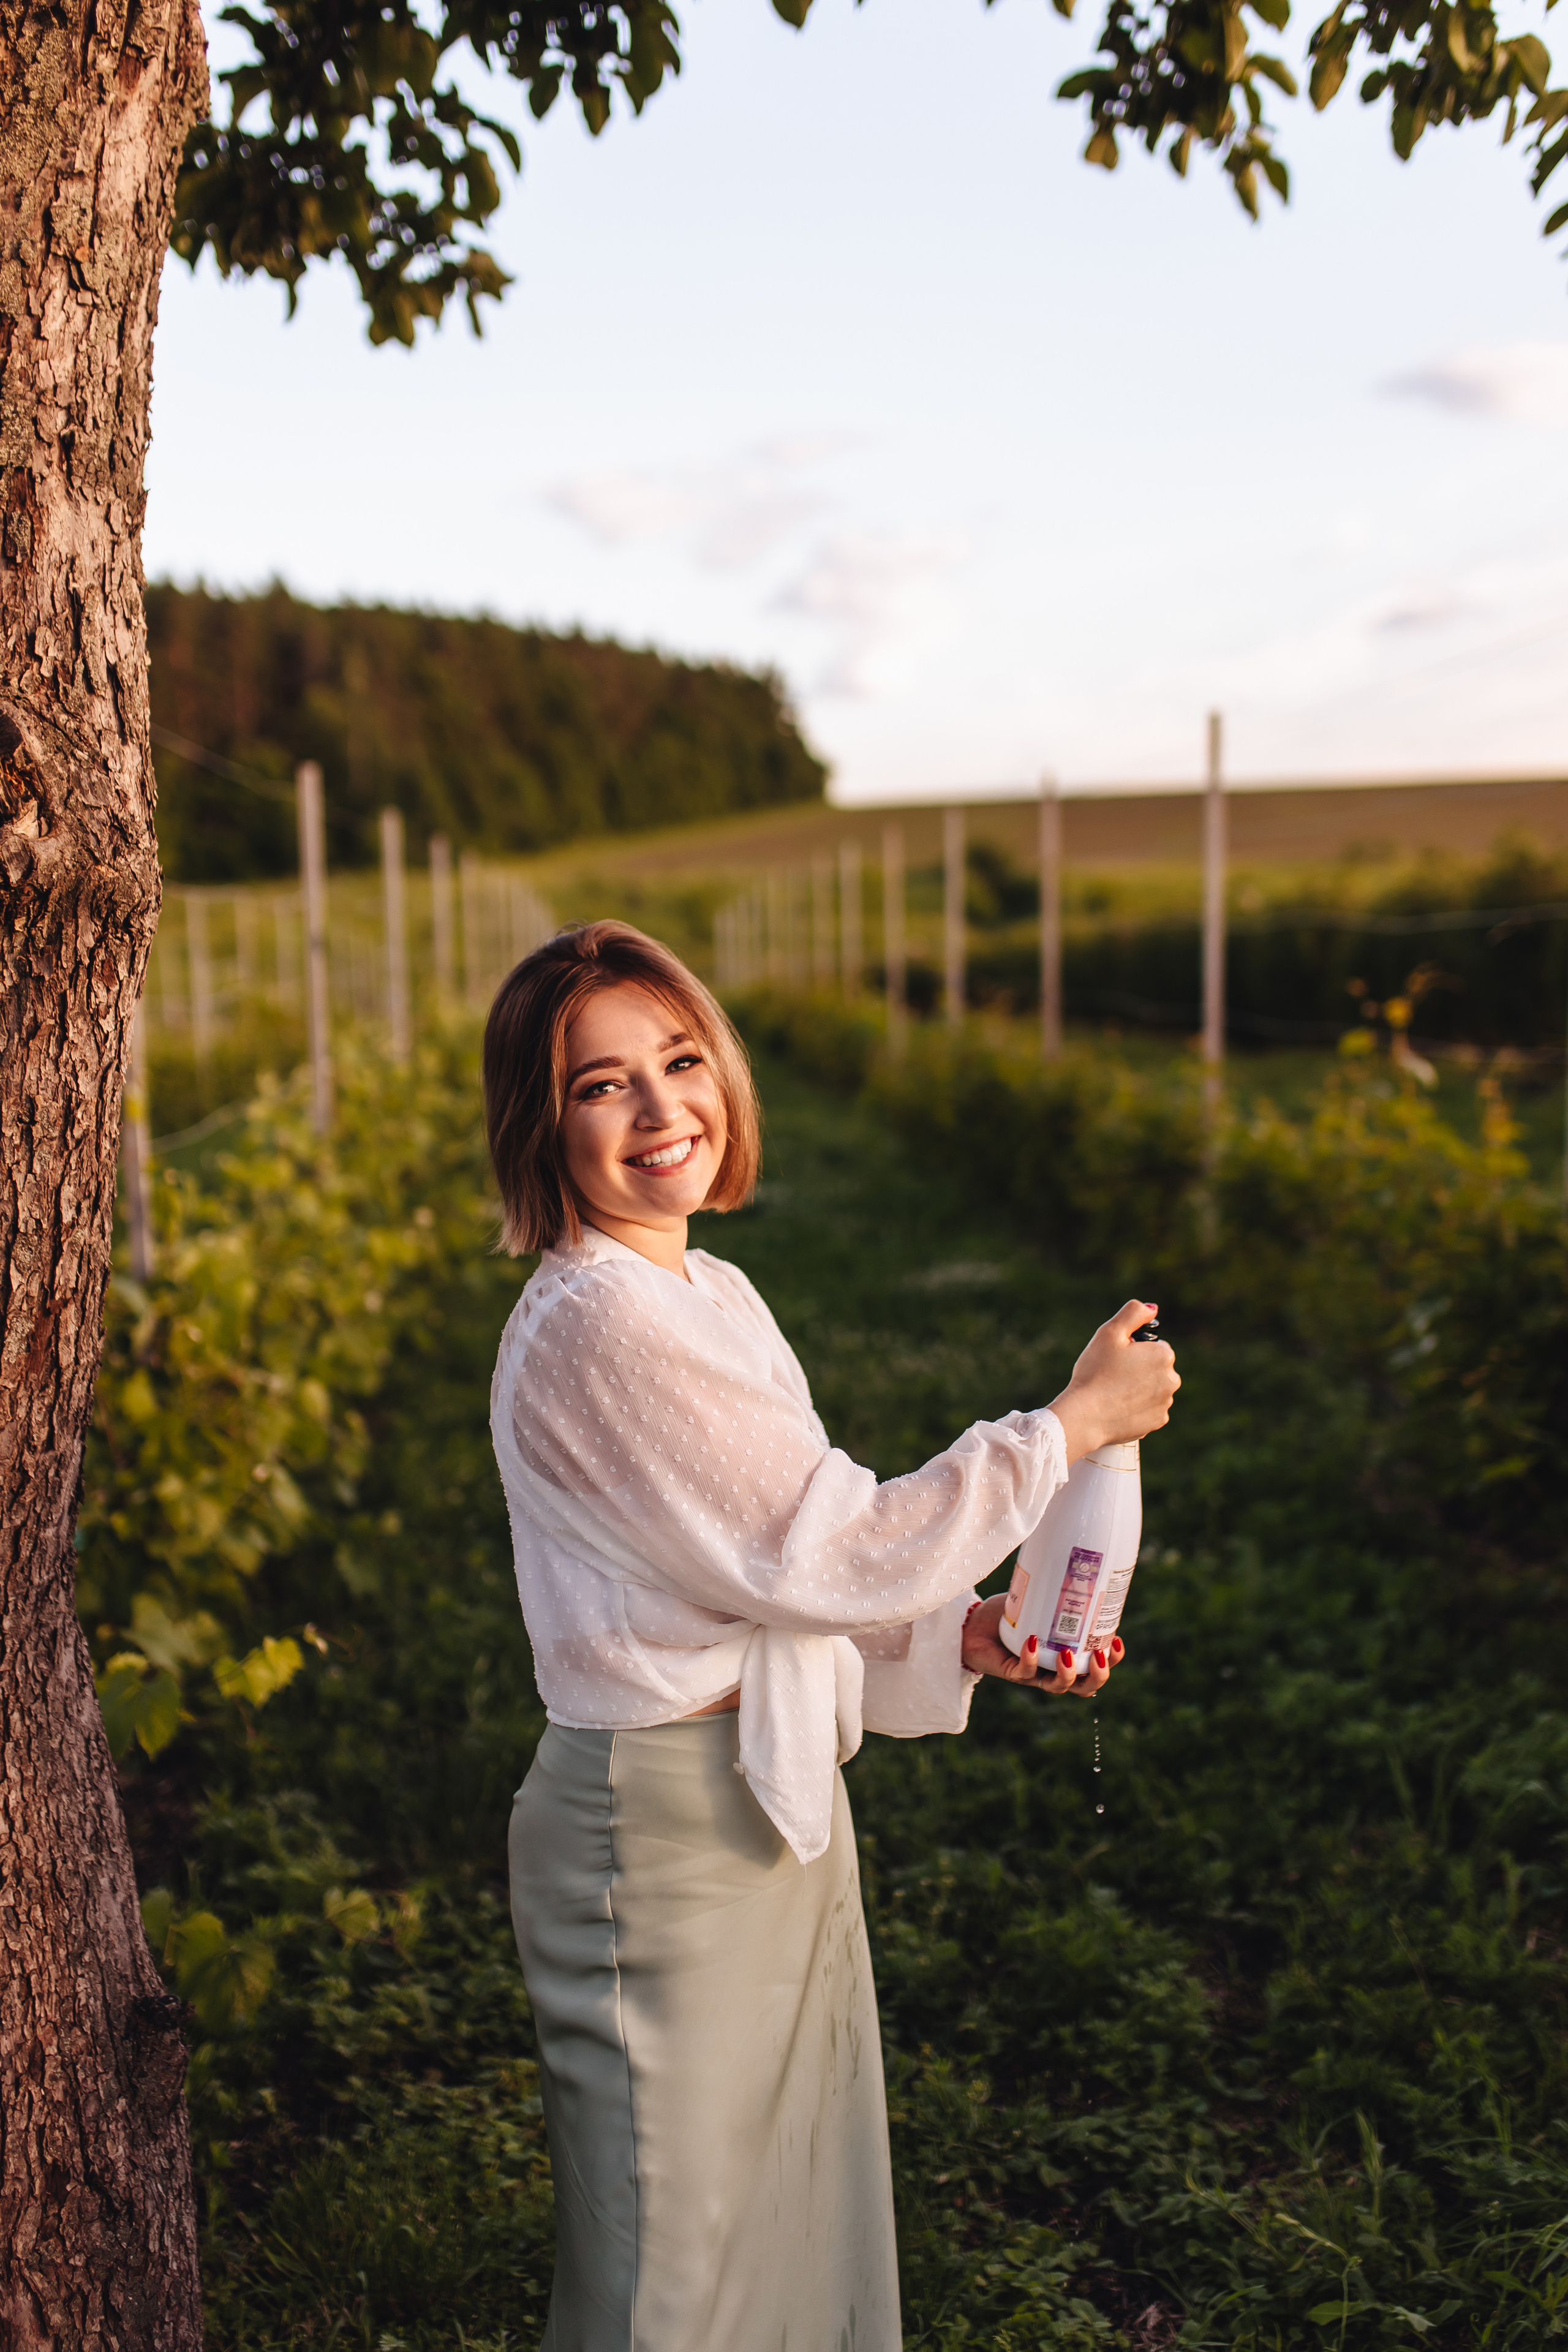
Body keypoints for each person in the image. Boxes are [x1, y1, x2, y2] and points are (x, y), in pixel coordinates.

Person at [484, 919, 1179, 2352]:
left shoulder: (704, 1289)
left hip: (758, 1801)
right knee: (668, 2263)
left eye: (678, 1061)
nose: (660, 1109)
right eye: (599, 1085)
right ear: (538, 1126)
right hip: (658, 1834)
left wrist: (967, 1637)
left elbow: (766, 1578)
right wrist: (1063, 1432)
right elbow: (834, 1551)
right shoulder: (598, 1323)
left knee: (789, 2206)